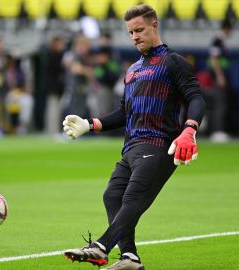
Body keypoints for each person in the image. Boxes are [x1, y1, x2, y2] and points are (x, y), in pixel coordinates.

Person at [62, 4, 205, 270]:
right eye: (130, 32)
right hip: (131, 147)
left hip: (160, 145)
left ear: (154, 25)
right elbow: (123, 113)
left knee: (132, 199)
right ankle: (130, 258)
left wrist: (190, 128)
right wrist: (89, 124)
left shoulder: (173, 61)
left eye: (139, 30)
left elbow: (195, 97)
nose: (135, 36)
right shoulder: (133, 70)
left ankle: (101, 246)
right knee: (111, 196)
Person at [207, 19, 233, 142]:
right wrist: (220, 76)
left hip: (222, 76)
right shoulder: (217, 41)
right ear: (227, 29)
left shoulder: (221, 41)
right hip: (218, 78)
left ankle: (219, 130)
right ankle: (217, 131)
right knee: (219, 104)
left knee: (222, 103)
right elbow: (214, 59)